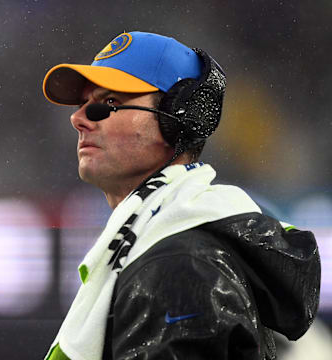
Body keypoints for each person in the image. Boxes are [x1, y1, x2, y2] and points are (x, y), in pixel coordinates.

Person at [42, 31, 321, 360]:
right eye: (83, 105)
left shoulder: (178, 266)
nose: (78, 119)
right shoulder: (170, 247)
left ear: (178, 117)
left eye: (109, 103)